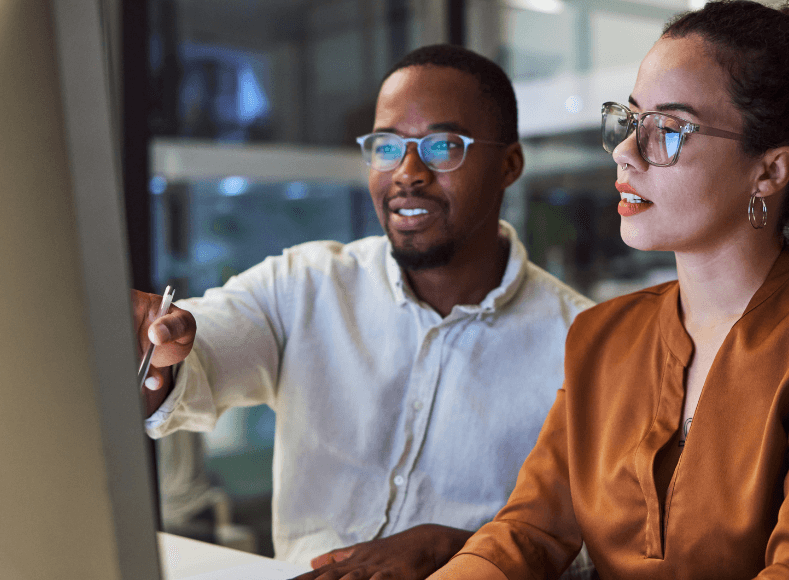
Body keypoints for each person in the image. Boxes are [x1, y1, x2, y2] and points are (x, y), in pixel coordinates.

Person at [430, 1, 789, 578]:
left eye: (667, 130)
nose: (625, 150)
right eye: (630, 119)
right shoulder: (602, 336)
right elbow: (525, 533)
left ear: (769, 171)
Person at [134, 45, 595, 579]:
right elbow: (203, 355)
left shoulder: (582, 344)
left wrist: (463, 549)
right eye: (386, 145)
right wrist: (159, 347)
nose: (407, 172)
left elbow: (600, 549)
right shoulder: (304, 284)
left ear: (509, 165)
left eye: (443, 146)